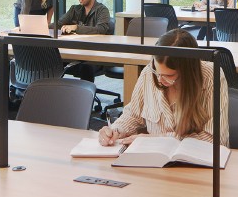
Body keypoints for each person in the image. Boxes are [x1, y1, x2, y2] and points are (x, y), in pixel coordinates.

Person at [98, 29, 230, 146]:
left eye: (169, 75)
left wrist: (157, 139)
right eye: (157, 72)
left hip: (196, 163)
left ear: (188, 72)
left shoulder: (211, 77)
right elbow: (133, 114)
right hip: (155, 160)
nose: (160, 80)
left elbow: (215, 139)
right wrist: (116, 130)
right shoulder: (150, 73)